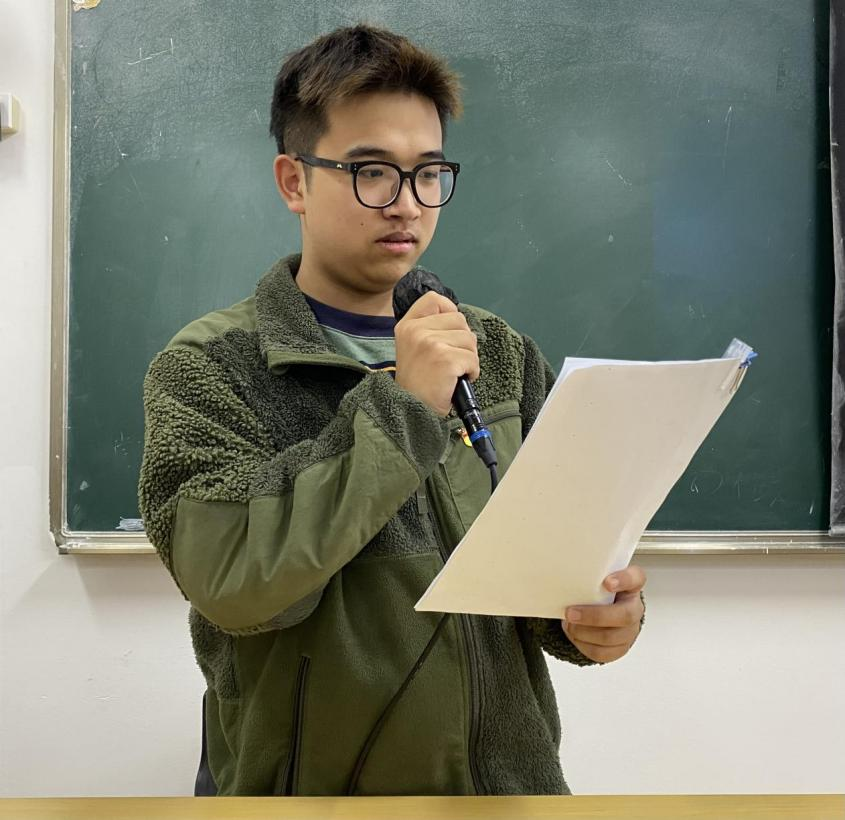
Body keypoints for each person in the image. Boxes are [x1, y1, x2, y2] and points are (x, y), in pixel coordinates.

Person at [138, 23, 646, 798]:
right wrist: (403, 405)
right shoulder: (210, 368)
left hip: (505, 798)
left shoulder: (498, 353)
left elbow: (552, 566)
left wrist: (600, 618)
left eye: (428, 173)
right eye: (371, 172)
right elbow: (233, 582)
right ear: (294, 181)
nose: (406, 204)